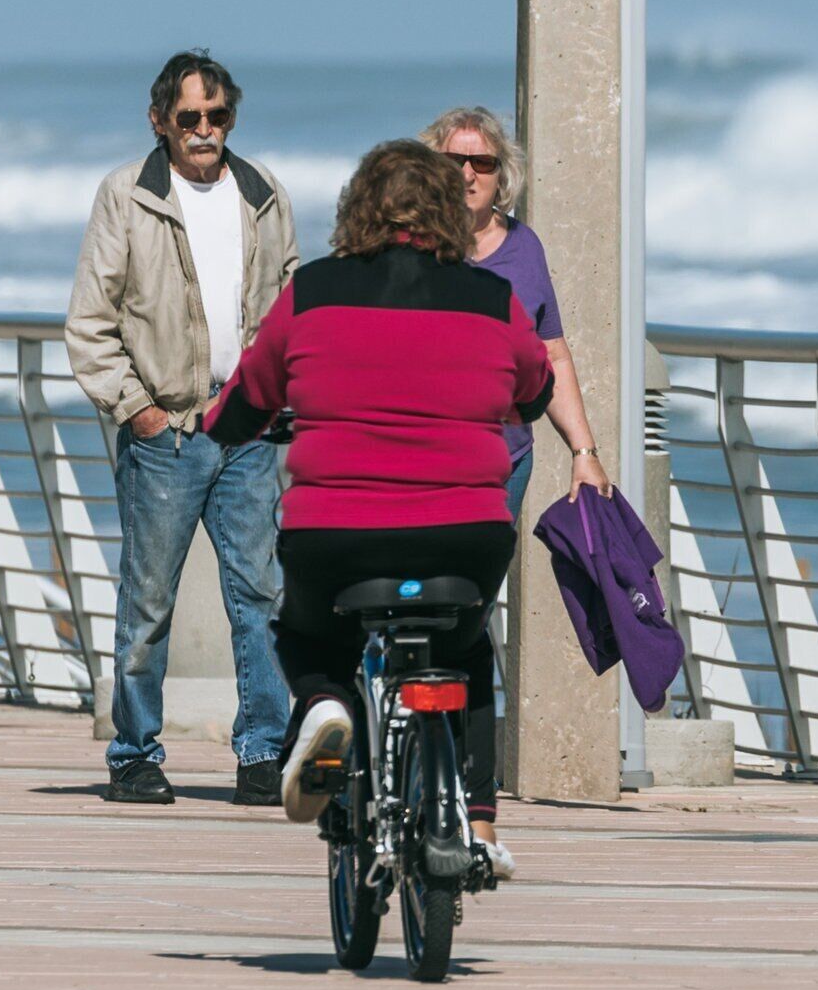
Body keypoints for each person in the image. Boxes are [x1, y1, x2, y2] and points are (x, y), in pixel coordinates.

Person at [229, 140, 549, 875]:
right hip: (465, 535)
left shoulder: (312, 291)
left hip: (336, 535)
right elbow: (534, 388)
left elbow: (250, 395)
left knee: (310, 638)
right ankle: (479, 823)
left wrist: (227, 429)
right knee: (466, 654)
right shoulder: (491, 299)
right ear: (448, 212)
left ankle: (324, 708)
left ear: (358, 207)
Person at [66, 50, 299, 805]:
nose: (205, 132)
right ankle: (134, 754)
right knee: (148, 603)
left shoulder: (262, 194)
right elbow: (90, 323)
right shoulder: (126, 196)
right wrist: (137, 409)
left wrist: (282, 394)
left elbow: (293, 305)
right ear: (159, 120)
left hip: (250, 430)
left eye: (218, 116)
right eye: (190, 118)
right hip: (164, 433)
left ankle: (264, 753)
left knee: (260, 599)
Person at [423, 107, 612, 512]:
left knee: (477, 579)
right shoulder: (409, 245)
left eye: (483, 163)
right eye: (452, 161)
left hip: (505, 466)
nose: (467, 175)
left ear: (501, 174)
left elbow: (553, 353)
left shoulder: (525, 247)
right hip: (423, 467)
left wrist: (584, 454)